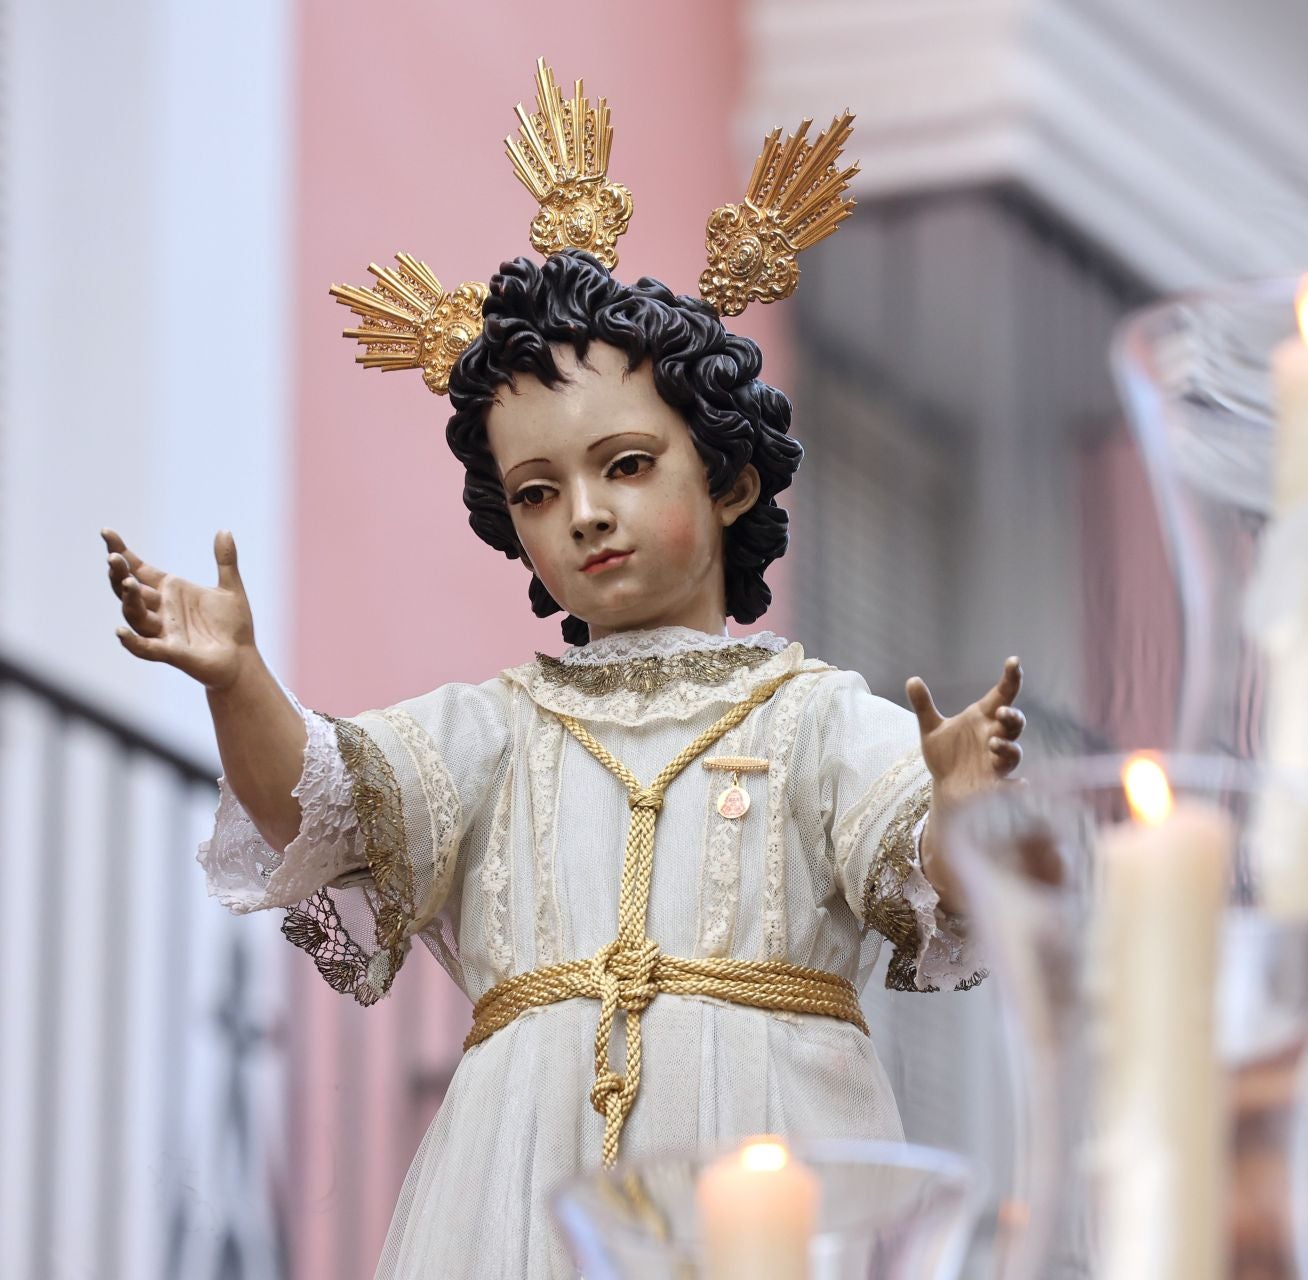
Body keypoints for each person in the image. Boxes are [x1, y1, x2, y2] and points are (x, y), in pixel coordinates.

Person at [101, 63, 1022, 1277]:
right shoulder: (492, 730)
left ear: (730, 480)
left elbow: (932, 881)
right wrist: (237, 681)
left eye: (627, 464)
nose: (585, 514)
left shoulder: (812, 721)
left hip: (761, 1166)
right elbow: (321, 804)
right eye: (540, 492)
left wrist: (958, 800)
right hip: (512, 1190)